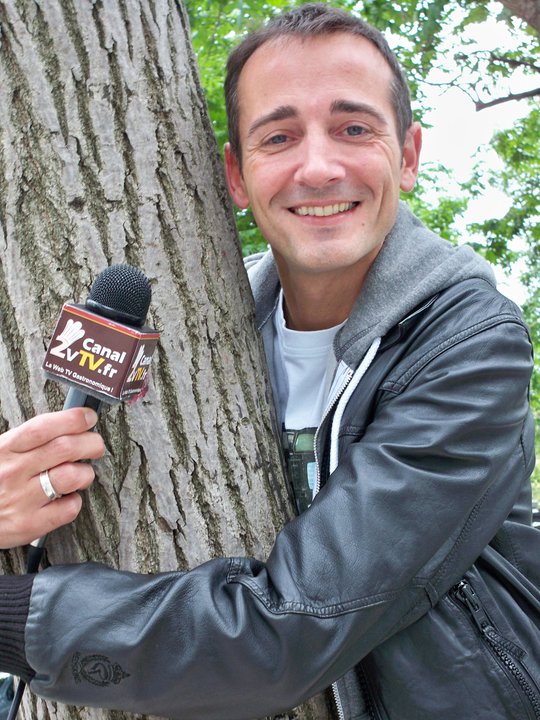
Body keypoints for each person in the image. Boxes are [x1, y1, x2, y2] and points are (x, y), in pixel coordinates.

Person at [0, 4, 538, 719]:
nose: (317, 167)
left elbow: (295, 625)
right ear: (236, 174)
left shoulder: (470, 344)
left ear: (407, 156)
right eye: (279, 135)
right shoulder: (202, 333)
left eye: (354, 128)